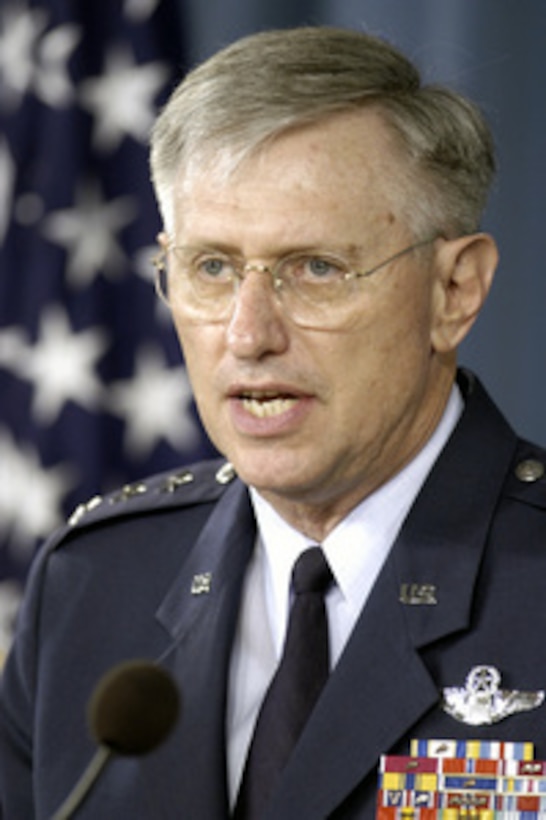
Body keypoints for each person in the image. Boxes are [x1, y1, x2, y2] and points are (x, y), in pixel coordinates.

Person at [1, 24, 546, 820]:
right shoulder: (92, 583)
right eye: (212, 268)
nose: (249, 334)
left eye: (316, 269)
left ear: (455, 290)